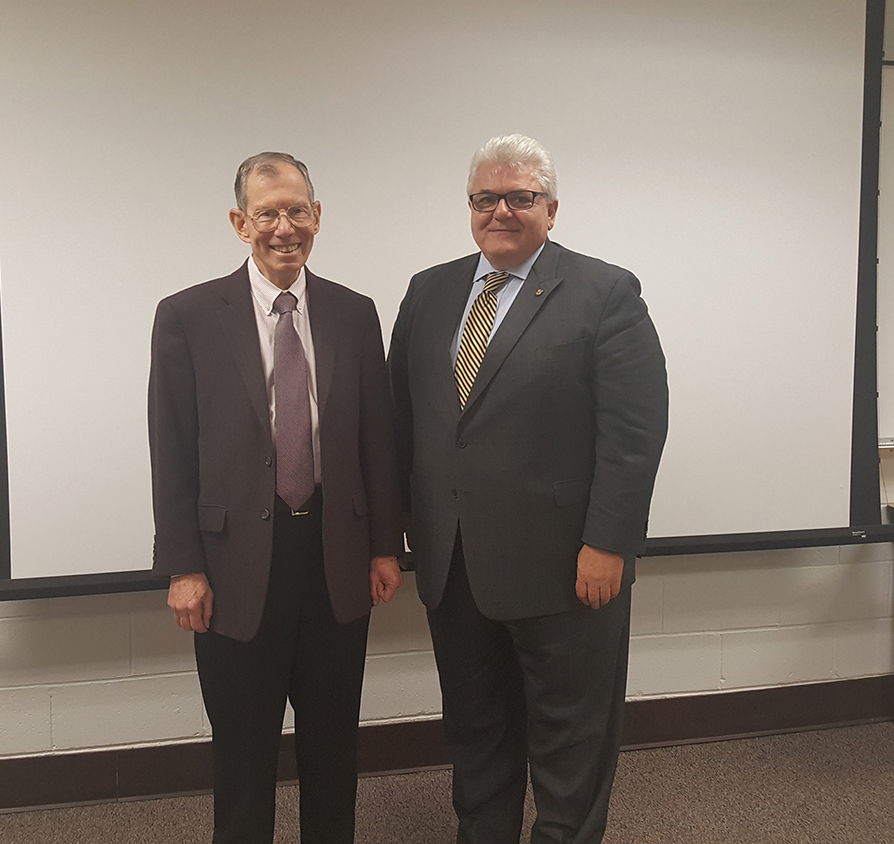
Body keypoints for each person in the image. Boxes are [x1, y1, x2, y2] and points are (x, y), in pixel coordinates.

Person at [389, 134, 669, 844]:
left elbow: (634, 435)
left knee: (569, 744)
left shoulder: (605, 292)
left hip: (568, 570)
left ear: (551, 209)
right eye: (487, 198)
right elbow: (404, 421)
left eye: (521, 197)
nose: (502, 211)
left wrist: (608, 543)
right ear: (471, 206)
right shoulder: (429, 292)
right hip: (455, 570)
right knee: (476, 734)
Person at [148, 152, 404, 844]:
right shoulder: (188, 316)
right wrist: (183, 567)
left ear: (317, 216)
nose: (284, 227)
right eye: (267, 213)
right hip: (232, 569)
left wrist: (386, 546)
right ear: (240, 223)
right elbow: (170, 450)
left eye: (297, 211)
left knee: (333, 748)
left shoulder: (355, 313)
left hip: (334, 557)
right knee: (242, 753)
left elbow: (376, 438)